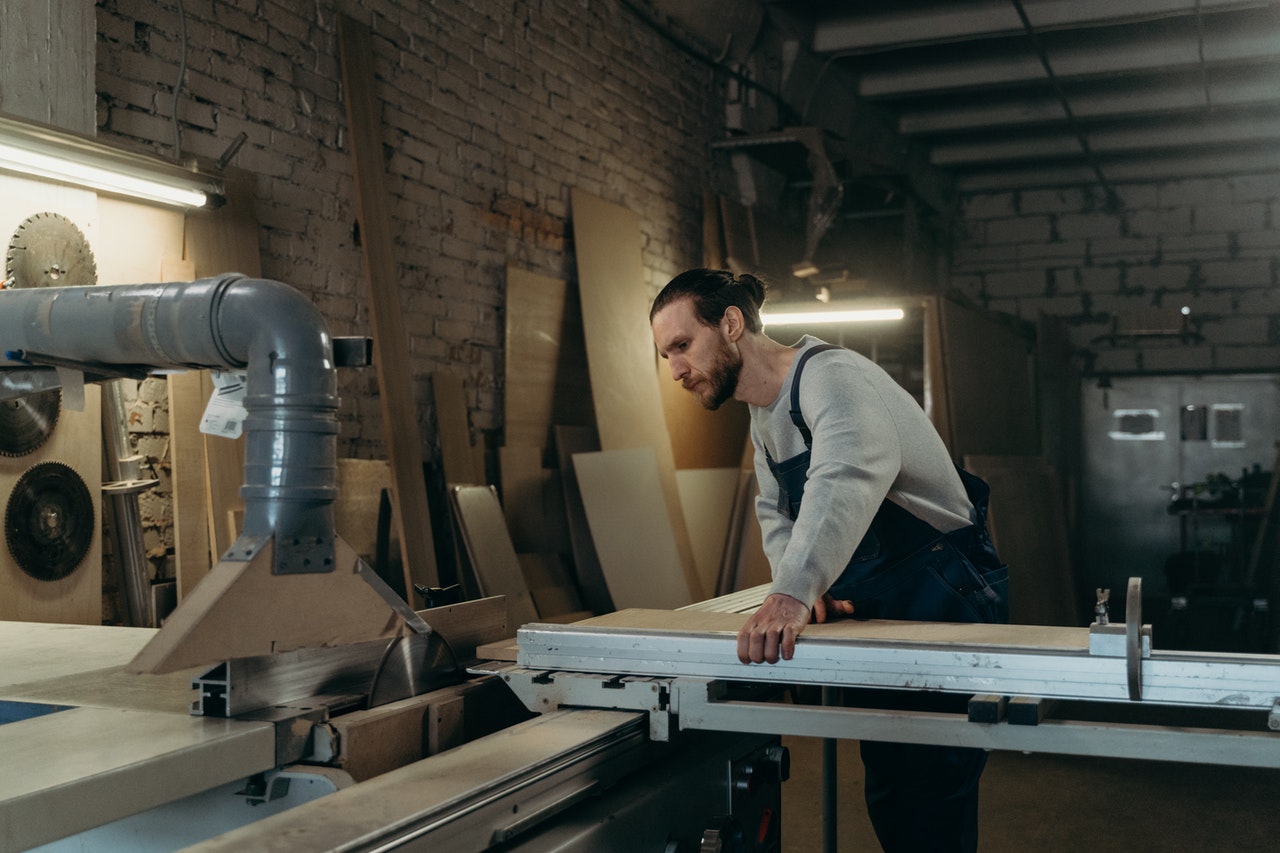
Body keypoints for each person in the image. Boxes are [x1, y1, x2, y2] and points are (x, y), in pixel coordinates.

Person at [649, 268, 1009, 853]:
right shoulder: (764, 412)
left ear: (732, 324)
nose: (675, 370)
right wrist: (803, 586)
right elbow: (776, 512)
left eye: (682, 346)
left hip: (942, 593)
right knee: (892, 788)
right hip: (883, 604)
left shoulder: (832, 377)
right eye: (666, 356)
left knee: (929, 799)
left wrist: (790, 593)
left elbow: (846, 475)